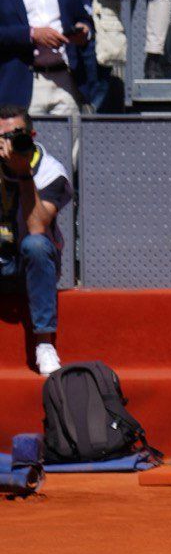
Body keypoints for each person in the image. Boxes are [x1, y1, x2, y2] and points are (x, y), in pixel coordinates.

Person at [0, 105, 73, 377]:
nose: (9, 143)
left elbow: (37, 228)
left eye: (16, 135)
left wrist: (23, 174)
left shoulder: (51, 172)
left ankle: (44, 343)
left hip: (31, 264)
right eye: (2, 137)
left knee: (37, 244)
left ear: (31, 136)